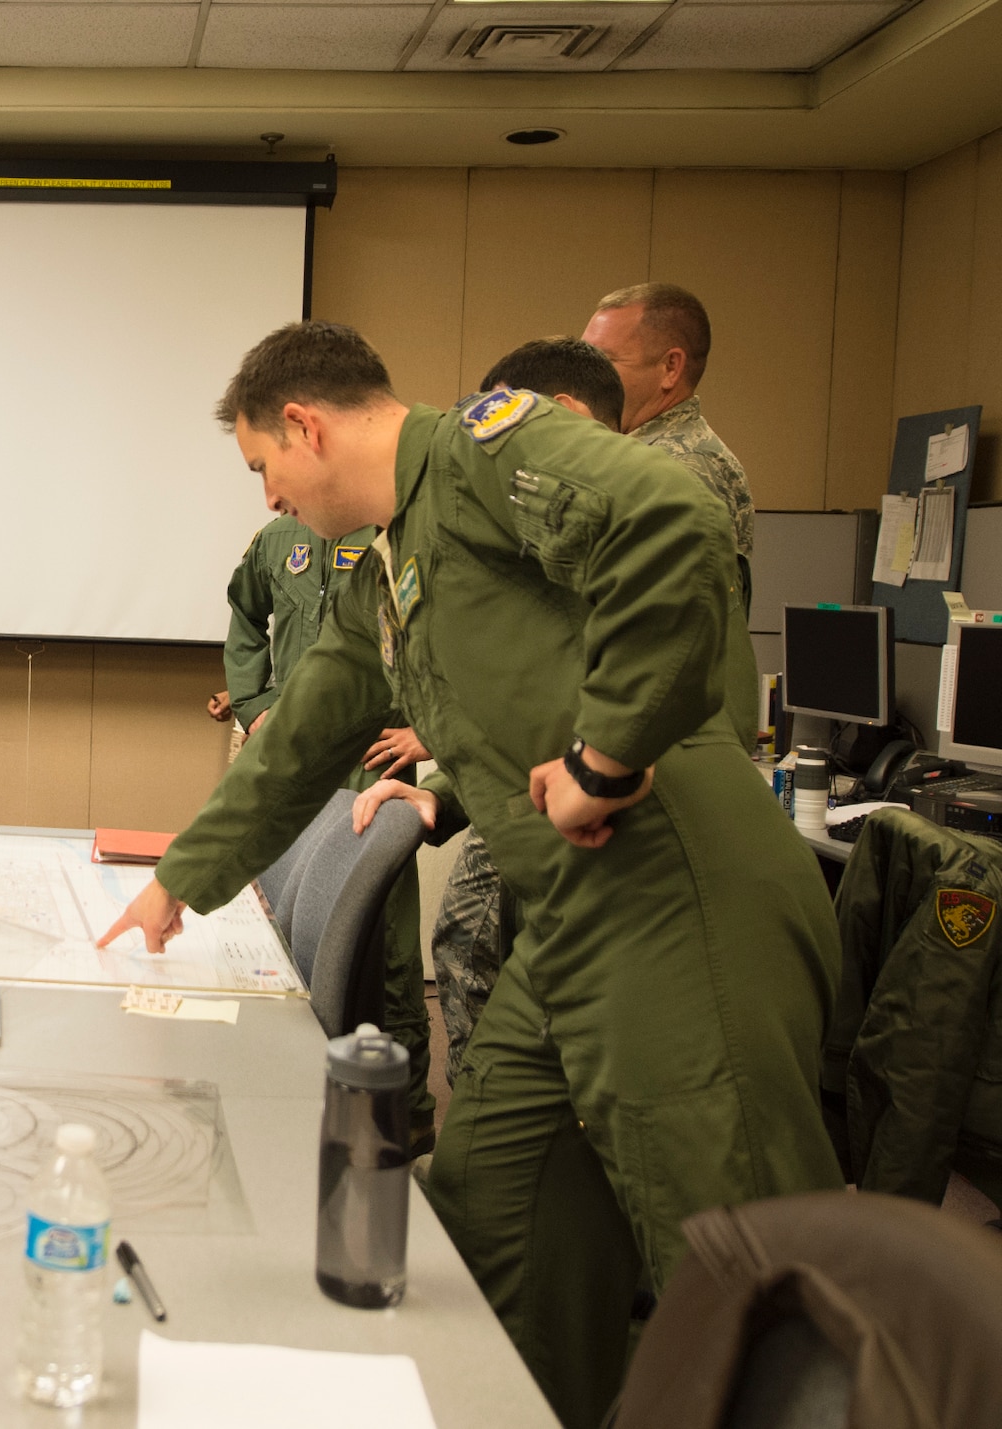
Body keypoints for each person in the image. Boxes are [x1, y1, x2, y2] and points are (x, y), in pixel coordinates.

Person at [101, 321, 843, 1429]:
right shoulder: (389, 562)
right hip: (567, 925)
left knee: (734, 1270)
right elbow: (304, 733)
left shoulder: (484, 452)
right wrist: (177, 883)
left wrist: (606, 750)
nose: (267, 500)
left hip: (676, 896)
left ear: (303, 425)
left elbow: (668, 519)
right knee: (493, 1232)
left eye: (263, 468)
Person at [387, 337, 625, 1085]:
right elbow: (526, 714)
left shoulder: (629, 527)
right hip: (550, 806)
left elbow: (665, 688)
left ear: (563, 417)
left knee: (479, 947)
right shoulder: (543, 532)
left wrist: (605, 761)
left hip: (622, 829)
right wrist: (445, 794)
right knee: (482, 956)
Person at [222, 509, 434, 1145]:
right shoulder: (274, 541)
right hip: (298, 752)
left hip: (375, 754)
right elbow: (243, 619)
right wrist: (255, 705)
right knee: (287, 915)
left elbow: (450, 641)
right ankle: (299, 1087)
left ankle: (409, 1111)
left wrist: (430, 728)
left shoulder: (397, 534)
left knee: (384, 936)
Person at [582, 283, 754, 572]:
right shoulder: (638, 455)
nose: (585, 376)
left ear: (670, 368)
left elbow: (669, 607)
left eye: (604, 360)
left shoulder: (683, 469)